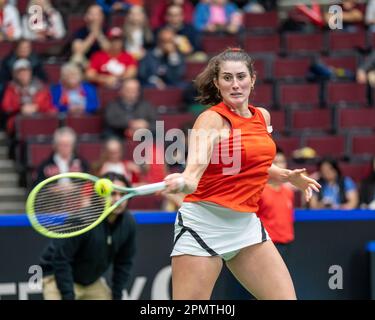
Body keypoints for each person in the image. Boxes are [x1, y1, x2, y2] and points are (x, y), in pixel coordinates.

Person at [162, 48, 321, 300]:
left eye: (240, 77)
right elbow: (194, 170)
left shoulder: (262, 116)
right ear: (217, 83)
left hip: (245, 226)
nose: (235, 85)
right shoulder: (211, 120)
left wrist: (287, 175)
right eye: (227, 78)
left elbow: (254, 164)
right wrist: (184, 180)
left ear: (252, 79)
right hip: (203, 225)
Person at [40, 171, 137, 300]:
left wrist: (117, 296)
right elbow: (61, 260)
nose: (118, 199)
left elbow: (124, 263)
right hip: (56, 278)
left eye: (122, 194)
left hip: (91, 283)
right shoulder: (82, 220)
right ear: (101, 195)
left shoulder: (129, 223)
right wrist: (68, 296)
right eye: (113, 193)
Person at [257, 147, 295, 262]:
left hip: (287, 244)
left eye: (282, 161)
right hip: (266, 245)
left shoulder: (288, 192)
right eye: (275, 163)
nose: (280, 166)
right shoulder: (260, 191)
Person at [1, 58, 54, 136]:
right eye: (20, 73)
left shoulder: (40, 86)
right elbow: (6, 106)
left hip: (39, 118)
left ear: (30, 72)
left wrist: (36, 107)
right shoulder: (10, 88)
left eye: (26, 72)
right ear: (15, 74)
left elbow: (49, 106)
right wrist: (21, 108)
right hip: (18, 119)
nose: (24, 75)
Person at [70, 4, 110, 69]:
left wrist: (99, 34)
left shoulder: (107, 31)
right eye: (91, 14)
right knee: (77, 58)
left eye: (97, 14)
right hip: (87, 63)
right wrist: (92, 34)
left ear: (102, 17)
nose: (94, 17)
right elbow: (78, 50)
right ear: (86, 17)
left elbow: (110, 51)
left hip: (104, 63)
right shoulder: (80, 32)